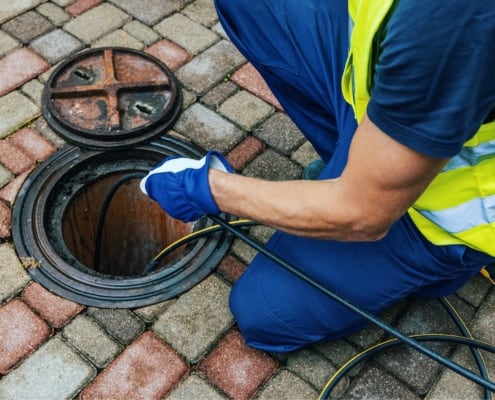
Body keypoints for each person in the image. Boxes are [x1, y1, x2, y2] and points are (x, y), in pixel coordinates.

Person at [140, 0, 495, 353]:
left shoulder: (453, 20)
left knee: (267, 313)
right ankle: (357, 163)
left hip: (434, 217)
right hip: (387, 100)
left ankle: (441, 271)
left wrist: (207, 188)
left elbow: (362, 214)